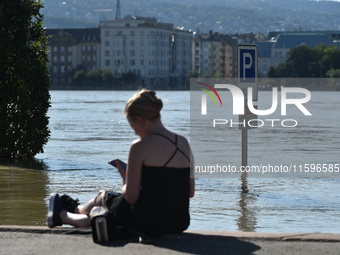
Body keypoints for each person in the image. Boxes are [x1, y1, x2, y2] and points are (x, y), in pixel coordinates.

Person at [48, 89, 195, 238]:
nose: (135, 133)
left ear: (140, 120)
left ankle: (62, 215)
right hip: (178, 222)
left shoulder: (139, 146)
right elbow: (190, 192)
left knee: (104, 199)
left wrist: (124, 178)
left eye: (133, 127)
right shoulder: (184, 142)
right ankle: (77, 211)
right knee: (107, 205)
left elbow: (131, 197)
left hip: (145, 222)